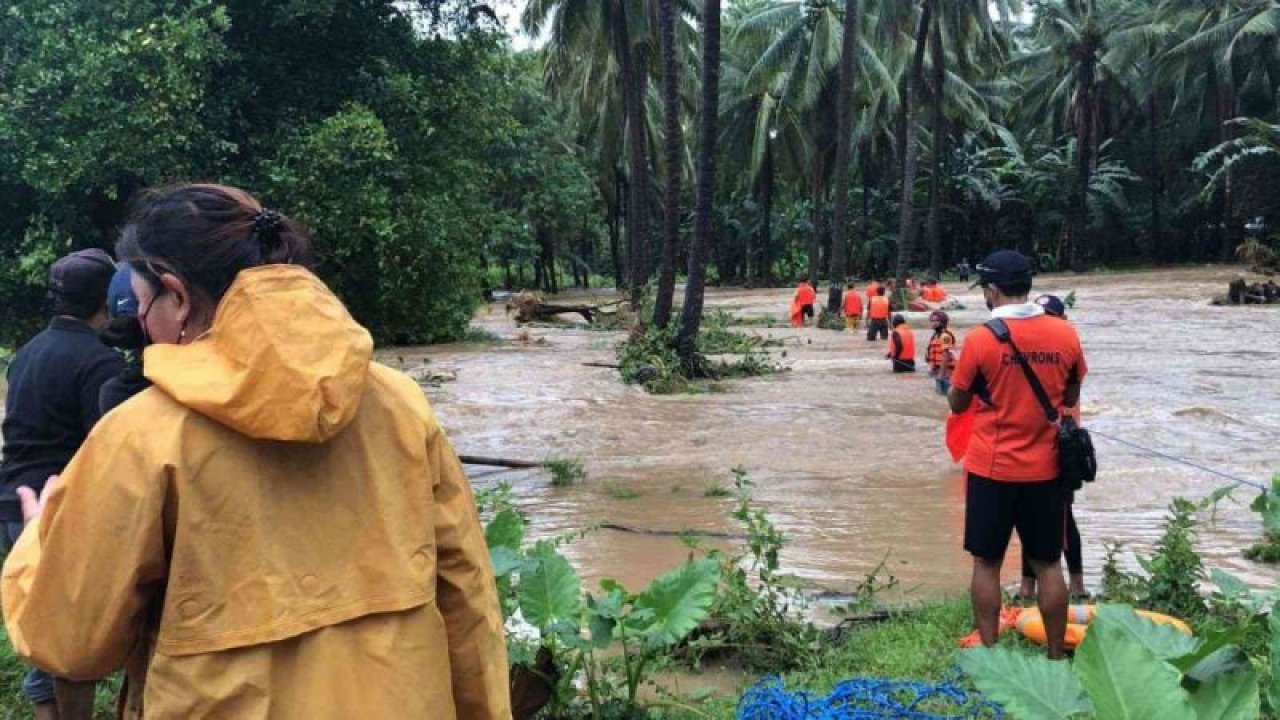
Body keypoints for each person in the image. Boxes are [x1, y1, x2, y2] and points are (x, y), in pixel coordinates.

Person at [2, 184, 511, 719]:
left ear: (175, 295)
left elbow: (68, 643)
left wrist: (37, 542)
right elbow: (468, 604)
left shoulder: (142, 436)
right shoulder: (402, 404)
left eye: (143, 305)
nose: (141, 329)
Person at [0, 249, 124, 720]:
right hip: (57, 515)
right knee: (71, 653)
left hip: (14, 510)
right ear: (109, 299)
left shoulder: (29, 352)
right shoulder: (100, 364)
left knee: (44, 643)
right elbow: (111, 454)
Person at [947, 250, 1087, 660]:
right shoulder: (1066, 334)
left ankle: (991, 652)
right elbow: (1071, 397)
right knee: (1047, 564)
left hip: (992, 468)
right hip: (1046, 468)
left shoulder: (979, 340)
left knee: (987, 562)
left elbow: (957, 404)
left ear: (991, 291)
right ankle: (1057, 654)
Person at [1017, 294, 1088, 601]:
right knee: (1027, 517)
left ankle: (1077, 583)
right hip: (1032, 441)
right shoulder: (1041, 345)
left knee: (1062, 516)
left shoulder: (1066, 344)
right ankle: (1026, 586)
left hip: (1062, 443)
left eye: (1048, 315)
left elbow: (1070, 394)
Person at [926, 310, 957, 395]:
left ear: (943, 322)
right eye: (931, 320)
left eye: (936, 320)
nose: (933, 323)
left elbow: (946, 355)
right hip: (940, 371)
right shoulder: (935, 336)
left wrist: (941, 374)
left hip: (947, 373)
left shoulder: (945, 336)